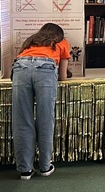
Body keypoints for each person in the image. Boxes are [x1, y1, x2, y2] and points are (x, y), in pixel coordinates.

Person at [11, 23, 70, 180]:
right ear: (59, 34)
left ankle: (25, 170)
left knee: (22, 120)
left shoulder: (30, 41)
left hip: (20, 67)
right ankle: (45, 166)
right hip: (45, 69)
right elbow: (63, 76)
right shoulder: (61, 42)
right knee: (45, 119)